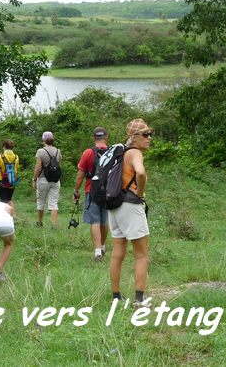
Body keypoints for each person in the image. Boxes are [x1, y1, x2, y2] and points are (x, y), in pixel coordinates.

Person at [109, 119, 154, 308]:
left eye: (150, 134)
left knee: (117, 252)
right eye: (145, 134)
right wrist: (141, 192)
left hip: (114, 205)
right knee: (141, 254)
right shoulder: (135, 153)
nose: (149, 138)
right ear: (134, 137)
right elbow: (141, 173)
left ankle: (116, 296)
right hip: (130, 205)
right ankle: (139, 299)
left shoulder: (121, 154)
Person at [73, 127, 109, 262]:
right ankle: (104, 246)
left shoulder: (88, 153)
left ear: (94, 138)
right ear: (106, 137)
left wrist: (76, 190)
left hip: (92, 191)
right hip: (108, 192)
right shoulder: (112, 152)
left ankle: (97, 252)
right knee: (104, 220)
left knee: (95, 221)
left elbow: (80, 175)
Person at [32, 131, 62, 228]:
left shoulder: (40, 151)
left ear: (43, 139)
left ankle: (40, 223)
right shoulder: (58, 151)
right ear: (52, 139)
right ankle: (54, 225)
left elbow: (38, 168)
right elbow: (58, 165)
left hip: (43, 180)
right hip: (56, 180)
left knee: (41, 202)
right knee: (53, 203)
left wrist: (34, 179)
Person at [0, 139, 20, 215]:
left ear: (4, 146)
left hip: (2, 182)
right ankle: (12, 216)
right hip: (12, 181)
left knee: (3, 201)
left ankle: (5, 218)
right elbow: (16, 169)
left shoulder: (1, 157)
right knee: (9, 199)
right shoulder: (16, 157)